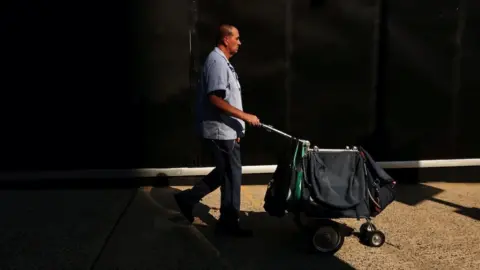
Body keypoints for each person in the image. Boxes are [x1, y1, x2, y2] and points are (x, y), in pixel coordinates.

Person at [174, 24, 260, 237]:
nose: (240, 42)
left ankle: (188, 199)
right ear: (225, 40)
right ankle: (228, 224)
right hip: (221, 131)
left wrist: (236, 130)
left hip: (227, 131)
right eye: (237, 38)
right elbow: (215, 99)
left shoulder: (222, 63)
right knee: (232, 175)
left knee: (225, 172)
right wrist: (245, 117)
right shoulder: (217, 63)